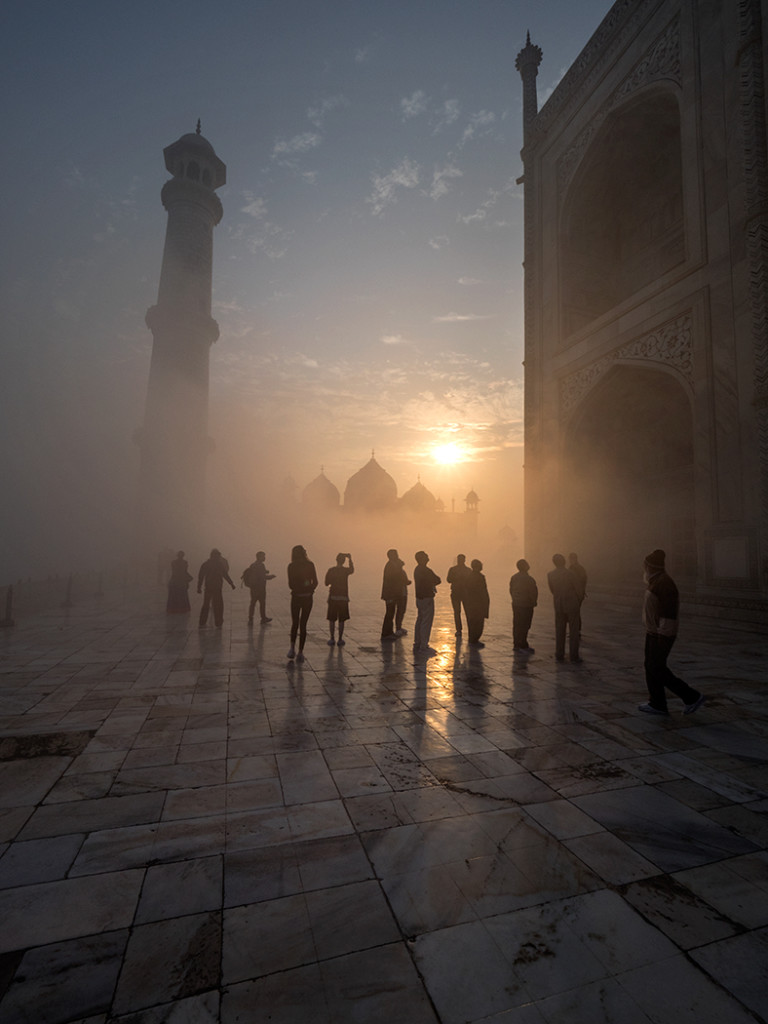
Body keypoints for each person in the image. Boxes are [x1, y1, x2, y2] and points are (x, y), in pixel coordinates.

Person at [639, 549, 705, 716]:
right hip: (653, 631)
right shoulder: (656, 581)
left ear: (650, 567)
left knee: (657, 668)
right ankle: (657, 703)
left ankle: (691, 696)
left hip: (661, 634)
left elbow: (667, 613)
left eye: (645, 566)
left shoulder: (664, 583)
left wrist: (663, 635)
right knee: (650, 666)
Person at [547, 553, 582, 662]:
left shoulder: (550, 574)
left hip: (558, 604)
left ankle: (559, 652)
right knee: (574, 631)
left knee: (560, 629)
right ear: (564, 561)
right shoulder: (570, 574)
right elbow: (579, 590)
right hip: (572, 604)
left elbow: (552, 590)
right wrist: (578, 600)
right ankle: (574, 655)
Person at [287, 544, 318, 663]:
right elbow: (315, 582)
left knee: (295, 623)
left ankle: (291, 649)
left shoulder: (291, 566)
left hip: (296, 597)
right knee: (303, 624)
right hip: (307, 598)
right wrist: (308, 588)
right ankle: (300, 652)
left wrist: (299, 587)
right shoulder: (310, 565)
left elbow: (290, 584)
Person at [197, 549, 235, 628]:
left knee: (206, 604)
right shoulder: (218, 564)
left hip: (209, 586)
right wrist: (231, 583)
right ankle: (218, 622)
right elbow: (225, 575)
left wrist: (199, 587)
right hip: (216, 587)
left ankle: (202, 621)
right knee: (218, 605)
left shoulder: (206, 564)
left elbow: (201, 577)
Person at [413, 550, 441, 655]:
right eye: (426, 556)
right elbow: (438, 579)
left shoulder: (417, 569)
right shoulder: (426, 570)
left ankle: (418, 642)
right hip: (427, 597)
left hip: (419, 597)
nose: (428, 557)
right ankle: (423, 646)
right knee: (426, 621)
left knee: (420, 619)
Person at [324, 552, 354, 646]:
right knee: (342, 620)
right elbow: (352, 570)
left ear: (336, 560)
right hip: (343, 598)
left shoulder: (331, 570)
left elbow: (326, 583)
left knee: (332, 619)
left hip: (333, 597)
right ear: (344, 561)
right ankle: (340, 639)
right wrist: (350, 559)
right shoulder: (345, 571)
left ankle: (332, 638)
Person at [380, 549, 410, 641]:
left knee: (392, 612)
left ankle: (390, 632)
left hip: (394, 593)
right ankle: (386, 633)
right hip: (390, 594)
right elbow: (394, 578)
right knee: (389, 613)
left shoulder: (393, 565)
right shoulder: (390, 566)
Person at [509, 558, 538, 652]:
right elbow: (533, 592)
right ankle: (523, 643)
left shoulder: (514, 577)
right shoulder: (529, 579)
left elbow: (511, 589)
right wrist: (533, 602)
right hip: (526, 604)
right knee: (525, 624)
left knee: (517, 623)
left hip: (516, 603)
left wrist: (514, 598)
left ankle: (516, 642)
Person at [242, 551, 275, 625]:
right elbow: (262, 576)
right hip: (260, 588)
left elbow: (257, 574)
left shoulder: (253, 565)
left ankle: (250, 617)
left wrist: (265, 572)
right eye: (263, 556)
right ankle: (263, 618)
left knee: (253, 603)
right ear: (260, 557)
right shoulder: (261, 565)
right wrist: (271, 576)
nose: (264, 558)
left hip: (253, 587)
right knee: (262, 603)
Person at [464, 558, 490, 646]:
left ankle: (472, 638)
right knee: (478, 622)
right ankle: (474, 639)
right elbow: (483, 591)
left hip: (470, 602)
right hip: (478, 603)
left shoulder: (468, 576)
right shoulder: (480, 577)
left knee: (472, 621)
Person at [446, 554, 472, 637]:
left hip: (464, 593)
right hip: (457, 593)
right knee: (458, 612)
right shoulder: (455, 570)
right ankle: (459, 630)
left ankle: (467, 629)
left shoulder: (466, 570)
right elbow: (449, 580)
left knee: (466, 612)